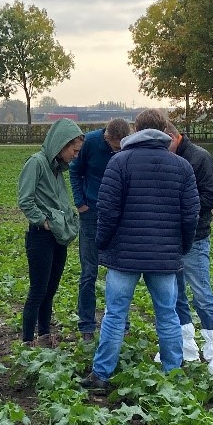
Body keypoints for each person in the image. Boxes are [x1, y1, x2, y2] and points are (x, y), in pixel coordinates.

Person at [82, 108, 198, 393]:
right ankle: (173, 374)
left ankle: (101, 375)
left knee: (115, 314)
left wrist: (103, 243)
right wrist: (180, 247)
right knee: (168, 315)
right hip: (164, 255)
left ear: (135, 128)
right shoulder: (181, 166)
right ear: (164, 129)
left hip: (123, 256)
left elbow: (107, 211)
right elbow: (190, 214)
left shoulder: (119, 163)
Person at [164, 122, 213, 372]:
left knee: (202, 294)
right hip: (173, 238)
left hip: (195, 237)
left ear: (173, 136)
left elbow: (211, 197)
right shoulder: (169, 159)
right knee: (177, 294)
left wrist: (182, 208)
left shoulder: (201, 159)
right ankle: (186, 346)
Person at [17, 119, 85, 345]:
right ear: (62, 145)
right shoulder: (36, 163)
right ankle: (27, 342)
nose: (75, 155)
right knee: (38, 291)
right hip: (41, 237)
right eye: (74, 150)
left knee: (51, 290)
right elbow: (25, 200)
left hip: (58, 237)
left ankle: (44, 336)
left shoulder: (57, 168)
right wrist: (43, 222)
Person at [69, 118, 131, 341]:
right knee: (88, 272)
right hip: (91, 213)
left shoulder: (129, 145)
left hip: (119, 215)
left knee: (119, 271)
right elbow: (75, 171)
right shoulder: (90, 143)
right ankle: (87, 326)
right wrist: (80, 203)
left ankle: (121, 324)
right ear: (106, 138)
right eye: (115, 147)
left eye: (121, 148)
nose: (118, 152)